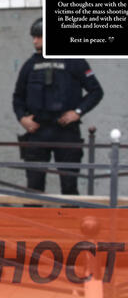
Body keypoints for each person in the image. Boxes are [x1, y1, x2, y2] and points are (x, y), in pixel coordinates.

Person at [13, 17, 103, 195]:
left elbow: (96, 91)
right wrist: (22, 118)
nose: (35, 41)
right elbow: (18, 97)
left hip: (66, 130)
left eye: (39, 36)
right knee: (34, 187)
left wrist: (78, 112)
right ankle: (33, 214)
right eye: (34, 37)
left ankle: (69, 213)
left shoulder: (74, 61)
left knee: (69, 186)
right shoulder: (30, 65)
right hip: (37, 131)